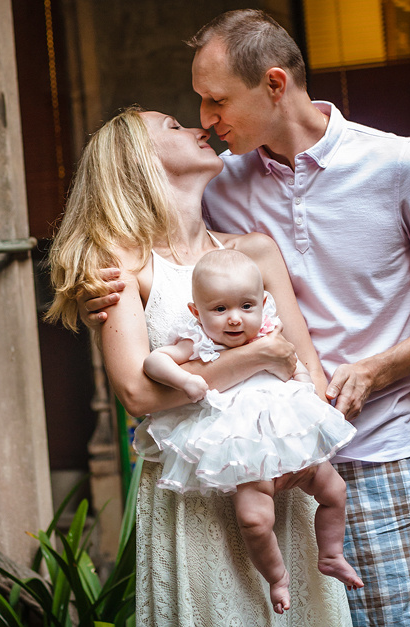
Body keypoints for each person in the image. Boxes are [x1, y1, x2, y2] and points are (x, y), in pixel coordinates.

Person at [83, 10, 410, 626]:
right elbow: (151, 230)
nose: (205, 120)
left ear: (275, 85)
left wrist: (377, 369)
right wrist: (99, 295)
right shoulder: (218, 181)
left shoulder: (400, 167)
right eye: (197, 104)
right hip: (257, 476)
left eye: (216, 100)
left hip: (375, 453)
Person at [46, 106, 352, 626]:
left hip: (283, 478)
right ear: (137, 161)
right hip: (195, 497)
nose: (197, 128)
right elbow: (138, 396)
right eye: (173, 126)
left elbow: (308, 372)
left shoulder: (254, 252)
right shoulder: (122, 266)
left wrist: (297, 454)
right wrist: (253, 356)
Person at [138, 248, 361, 614]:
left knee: (335, 490)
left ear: (263, 303)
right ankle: (277, 578)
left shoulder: (271, 332)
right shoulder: (199, 342)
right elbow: (153, 361)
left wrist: (305, 394)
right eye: (220, 309)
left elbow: (298, 371)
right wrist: (185, 380)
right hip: (242, 448)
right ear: (197, 312)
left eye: (246, 306)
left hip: (288, 437)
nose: (235, 320)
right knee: (255, 519)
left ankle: (332, 553)